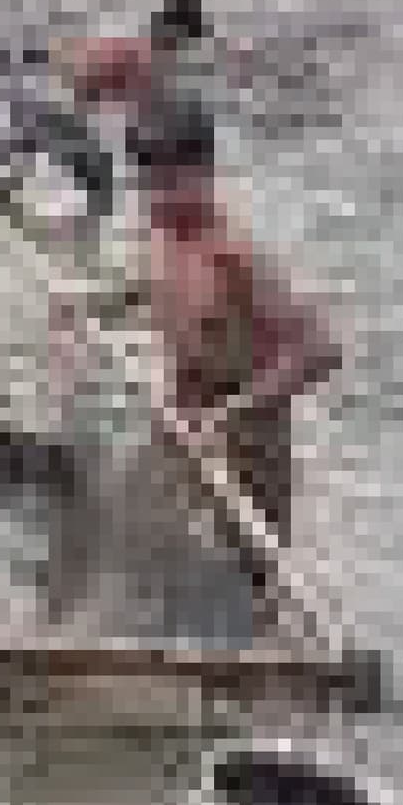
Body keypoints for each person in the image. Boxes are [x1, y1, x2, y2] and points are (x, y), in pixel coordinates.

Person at [108, 100, 340, 541]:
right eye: (145, 182)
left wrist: (229, 415)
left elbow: (320, 350)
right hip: (184, 427)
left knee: (253, 573)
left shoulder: (235, 255)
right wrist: (91, 304)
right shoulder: (158, 232)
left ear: (204, 173)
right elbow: (154, 290)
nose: (155, 197)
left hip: (248, 448)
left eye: (169, 183)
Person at [1, 0, 214, 229]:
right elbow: (76, 89)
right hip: (76, 130)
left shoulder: (155, 69)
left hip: (100, 138)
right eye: (175, 41)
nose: (174, 50)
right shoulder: (125, 54)